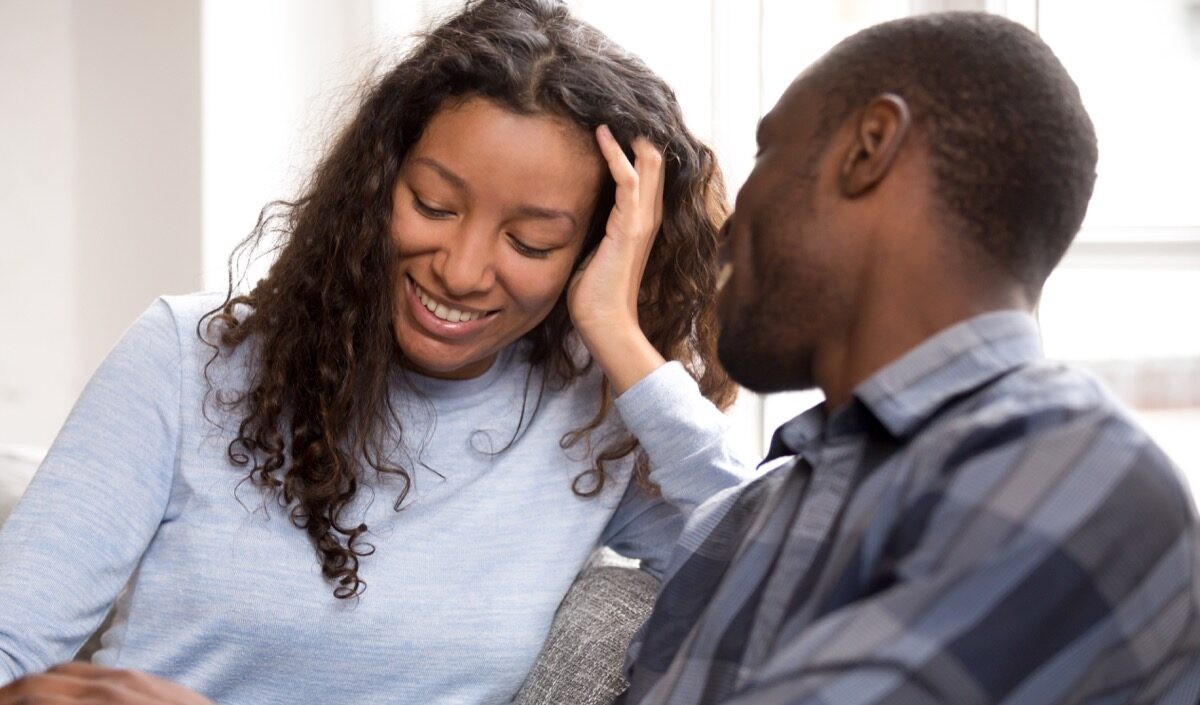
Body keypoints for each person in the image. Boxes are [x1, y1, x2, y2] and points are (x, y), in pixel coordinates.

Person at [0, 0, 752, 703]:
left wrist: (618, 334)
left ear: (590, 251)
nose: (459, 269)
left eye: (532, 241)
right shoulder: (185, 359)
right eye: (432, 204)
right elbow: (11, 645)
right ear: (377, 182)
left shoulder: (596, 426)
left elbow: (772, 569)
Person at [619, 11, 1200, 705]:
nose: (726, 224)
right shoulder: (766, 503)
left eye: (765, 151)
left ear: (869, 147)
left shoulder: (1080, 468)